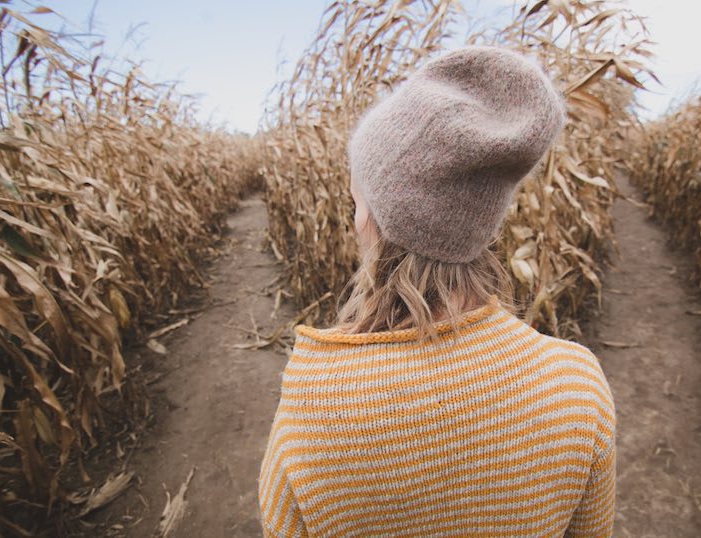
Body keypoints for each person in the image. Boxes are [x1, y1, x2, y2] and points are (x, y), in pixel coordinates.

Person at [257, 46, 616, 537]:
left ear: (380, 224)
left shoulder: (315, 408)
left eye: (358, 202)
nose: (353, 218)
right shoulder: (577, 385)